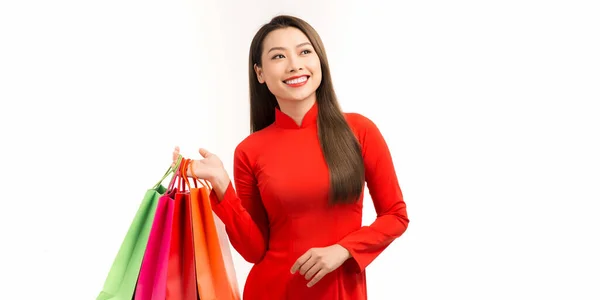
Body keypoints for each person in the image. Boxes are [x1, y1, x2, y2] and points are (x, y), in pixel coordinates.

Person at [172, 14, 409, 300]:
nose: (295, 64)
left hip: (339, 291)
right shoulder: (250, 150)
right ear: (260, 73)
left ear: (319, 60)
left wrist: (344, 250)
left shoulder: (359, 131)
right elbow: (253, 250)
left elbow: (395, 215)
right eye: (279, 56)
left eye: (304, 51)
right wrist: (221, 183)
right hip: (270, 290)